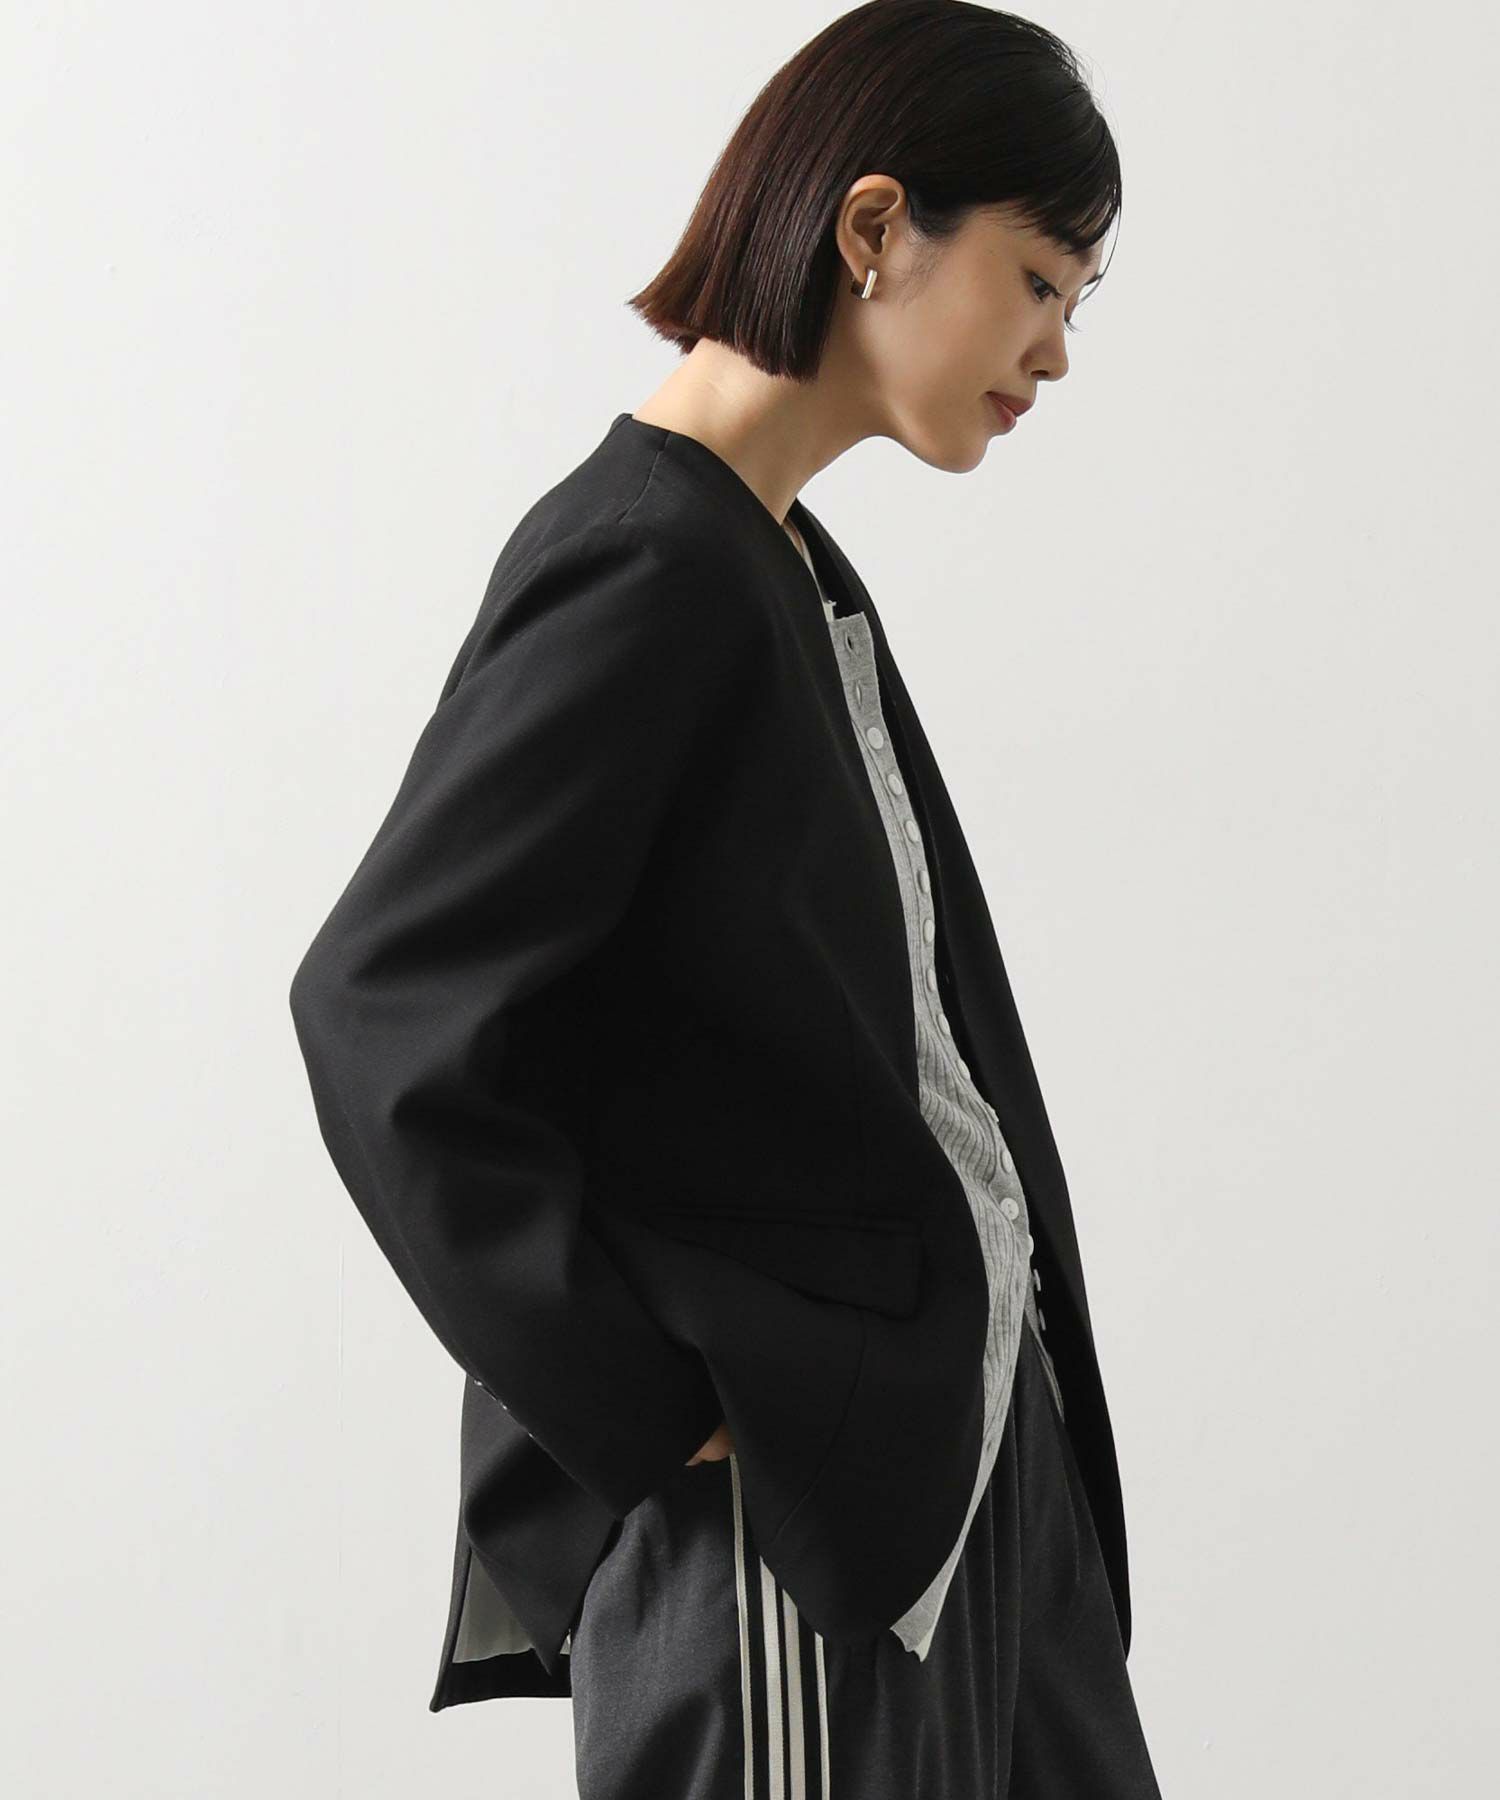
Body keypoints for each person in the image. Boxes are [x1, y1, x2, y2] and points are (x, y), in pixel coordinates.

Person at [289, 2, 1162, 1794]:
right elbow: (380, 1010)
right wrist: (649, 1401)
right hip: (804, 1510)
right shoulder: (648, 562)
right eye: (1038, 280)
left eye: (1076, 301)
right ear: (873, 227)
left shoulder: (776, 559)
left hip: (965, 1470)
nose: (1058, 352)